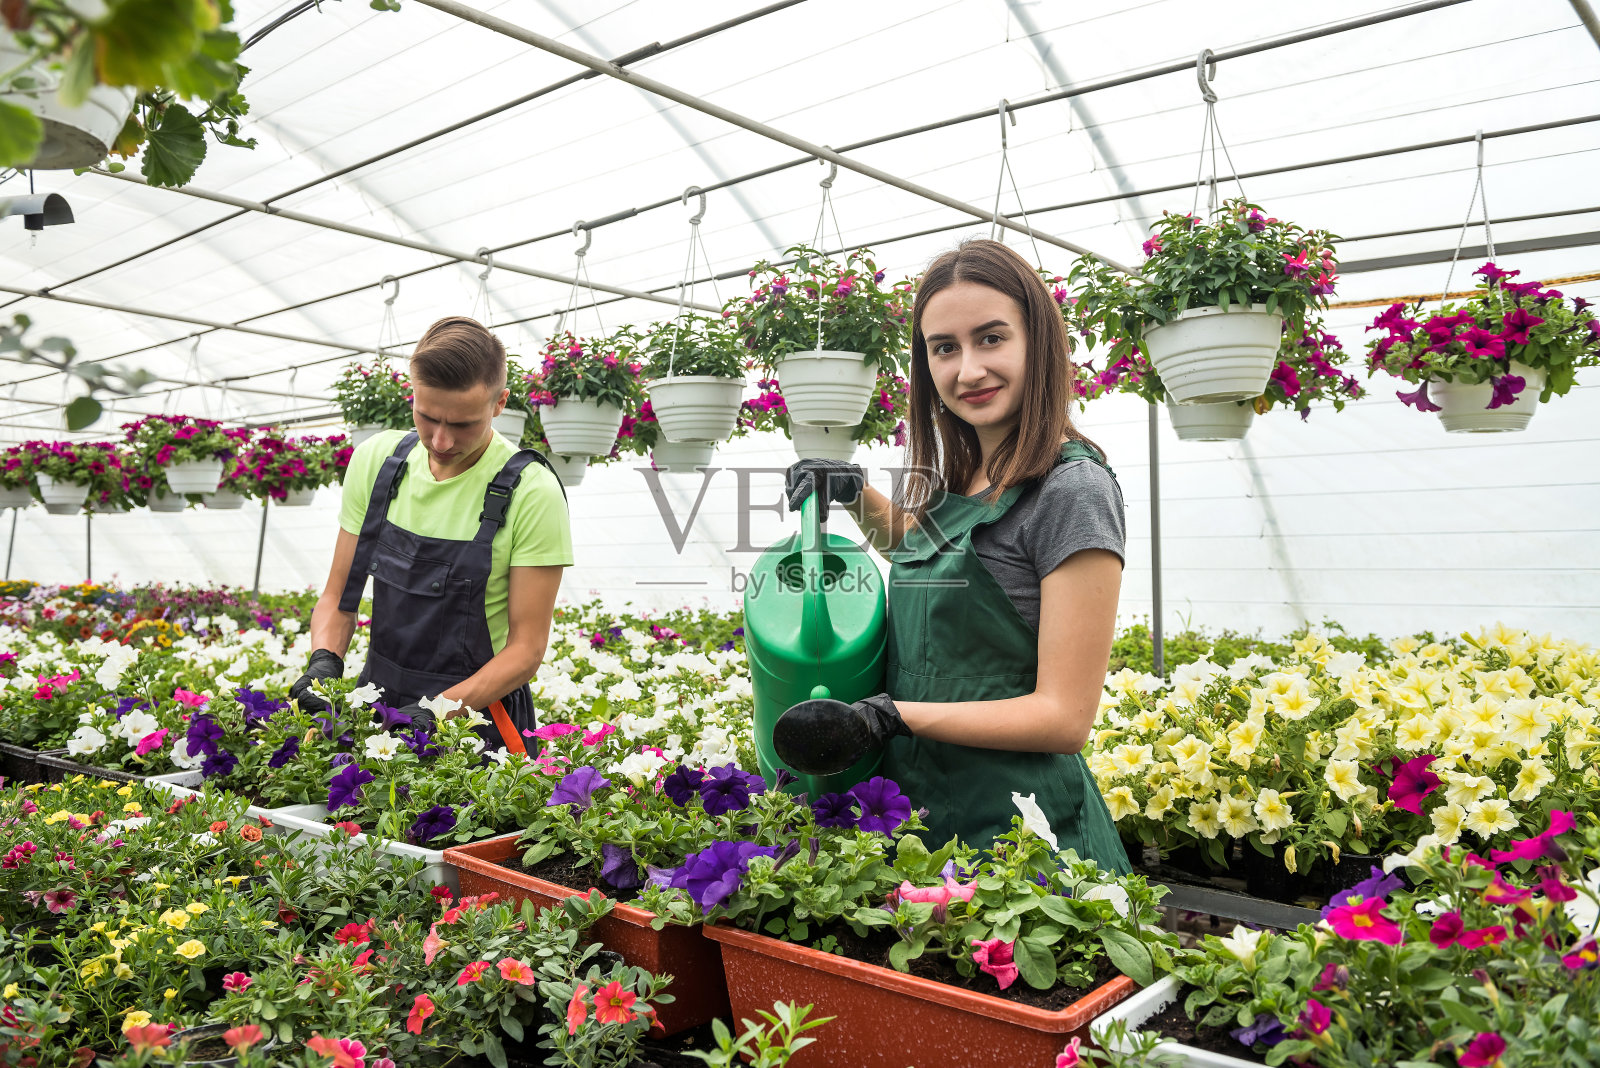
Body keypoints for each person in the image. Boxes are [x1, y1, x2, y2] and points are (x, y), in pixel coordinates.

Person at [779, 239, 1131, 871]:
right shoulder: (967, 478)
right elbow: (919, 551)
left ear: (1038, 343)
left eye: (991, 338)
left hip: (1022, 837)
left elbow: (1063, 719)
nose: (968, 370)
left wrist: (889, 716)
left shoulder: (1071, 489)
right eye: (944, 348)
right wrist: (854, 491)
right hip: (925, 820)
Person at [292, 316, 573, 752]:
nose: (440, 441)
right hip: (379, 706)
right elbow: (338, 598)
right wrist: (324, 661)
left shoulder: (532, 492)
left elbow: (526, 650)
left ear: (500, 404)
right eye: (426, 417)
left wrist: (437, 711)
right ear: (413, 394)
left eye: (463, 425)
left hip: (476, 723)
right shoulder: (377, 462)